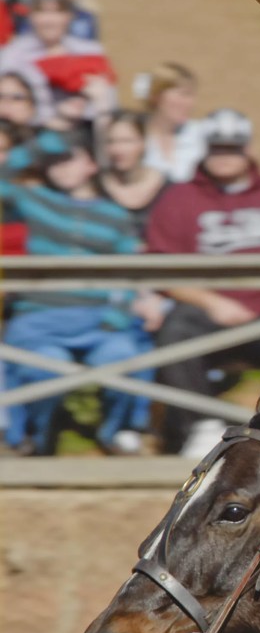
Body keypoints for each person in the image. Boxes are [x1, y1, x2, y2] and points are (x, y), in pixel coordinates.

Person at [144, 109, 260, 457]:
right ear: (205, 149)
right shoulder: (179, 198)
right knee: (174, 333)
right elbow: (159, 269)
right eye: (217, 148)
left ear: (247, 149)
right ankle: (199, 426)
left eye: (232, 147)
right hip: (205, 309)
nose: (225, 156)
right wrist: (211, 302)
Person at [2, 130, 155, 456]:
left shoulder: (116, 215)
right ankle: (35, 441)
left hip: (98, 320)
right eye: (53, 162)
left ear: (90, 163)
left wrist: (117, 314)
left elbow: (128, 271)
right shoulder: (33, 200)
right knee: (44, 369)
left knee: (121, 358)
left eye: (69, 158)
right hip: (39, 316)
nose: (61, 167)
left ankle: (113, 434)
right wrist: (46, 141)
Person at [0, 0, 115, 127]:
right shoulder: (13, 55)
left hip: (84, 130)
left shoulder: (90, 52)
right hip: (31, 135)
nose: (49, 20)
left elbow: (108, 106)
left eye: (57, 12)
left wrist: (97, 102)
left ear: (69, 16)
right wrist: (53, 117)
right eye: (42, 12)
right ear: (30, 15)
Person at [98, 111, 168, 236]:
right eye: (110, 141)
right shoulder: (95, 188)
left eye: (127, 141)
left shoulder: (169, 190)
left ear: (144, 142)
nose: (117, 149)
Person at [137, 62, 205, 183]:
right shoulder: (136, 135)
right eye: (183, 94)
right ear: (156, 95)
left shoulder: (201, 134)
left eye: (191, 96)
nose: (189, 103)